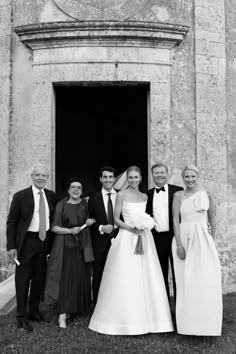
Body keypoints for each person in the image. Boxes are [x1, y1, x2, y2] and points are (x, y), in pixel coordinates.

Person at [89, 166, 173, 335]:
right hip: (127, 237)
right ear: (127, 178)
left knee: (146, 275)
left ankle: (152, 319)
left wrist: (144, 225)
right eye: (131, 177)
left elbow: (150, 215)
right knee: (125, 275)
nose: (133, 180)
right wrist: (131, 228)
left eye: (136, 177)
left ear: (141, 178)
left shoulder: (144, 196)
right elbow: (116, 219)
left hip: (144, 237)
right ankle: (123, 318)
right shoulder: (121, 195)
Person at [172, 165, 223, 336]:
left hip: (202, 239)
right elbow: (174, 219)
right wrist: (179, 244)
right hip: (184, 238)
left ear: (197, 177)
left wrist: (211, 241)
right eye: (187, 176)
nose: (190, 179)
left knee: (205, 280)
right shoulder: (178, 195)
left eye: (193, 176)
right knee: (185, 281)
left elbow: (212, 219)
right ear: (183, 178)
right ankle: (187, 324)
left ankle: (207, 324)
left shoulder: (206, 195)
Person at [6, 164, 57, 332]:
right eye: (38, 175)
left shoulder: (51, 196)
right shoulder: (21, 196)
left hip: (44, 241)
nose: (41, 178)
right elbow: (11, 222)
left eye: (44, 175)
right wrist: (11, 246)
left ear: (47, 178)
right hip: (27, 242)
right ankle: (22, 316)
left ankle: (34, 311)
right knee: (23, 280)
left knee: (39, 278)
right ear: (32, 176)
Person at [44, 177, 94, 328]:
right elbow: (54, 227)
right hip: (65, 247)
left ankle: (73, 308)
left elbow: (93, 220)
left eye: (79, 187)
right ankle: (62, 315)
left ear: (82, 190)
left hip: (82, 247)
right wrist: (70, 230)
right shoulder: (62, 204)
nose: (76, 189)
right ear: (68, 190)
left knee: (79, 278)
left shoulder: (86, 204)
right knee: (65, 279)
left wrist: (91, 222)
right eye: (73, 187)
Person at [146, 162, 183, 300]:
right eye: (156, 173)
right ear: (152, 175)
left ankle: (180, 308)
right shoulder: (147, 194)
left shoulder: (178, 191)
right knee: (160, 274)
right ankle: (165, 308)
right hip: (157, 238)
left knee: (178, 272)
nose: (159, 175)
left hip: (175, 237)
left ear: (167, 174)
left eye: (162, 172)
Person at [88, 166, 118, 306]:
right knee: (99, 272)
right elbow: (88, 220)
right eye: (105, 177)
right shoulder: (92, 199)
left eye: (110, 177)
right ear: (100, 179)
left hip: (119, 240)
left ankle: (115, 303)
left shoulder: (121, 195)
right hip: (100, 241)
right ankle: (98, 306)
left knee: (118, 271)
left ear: (114, 178)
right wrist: (100, 227)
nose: (108, 180)